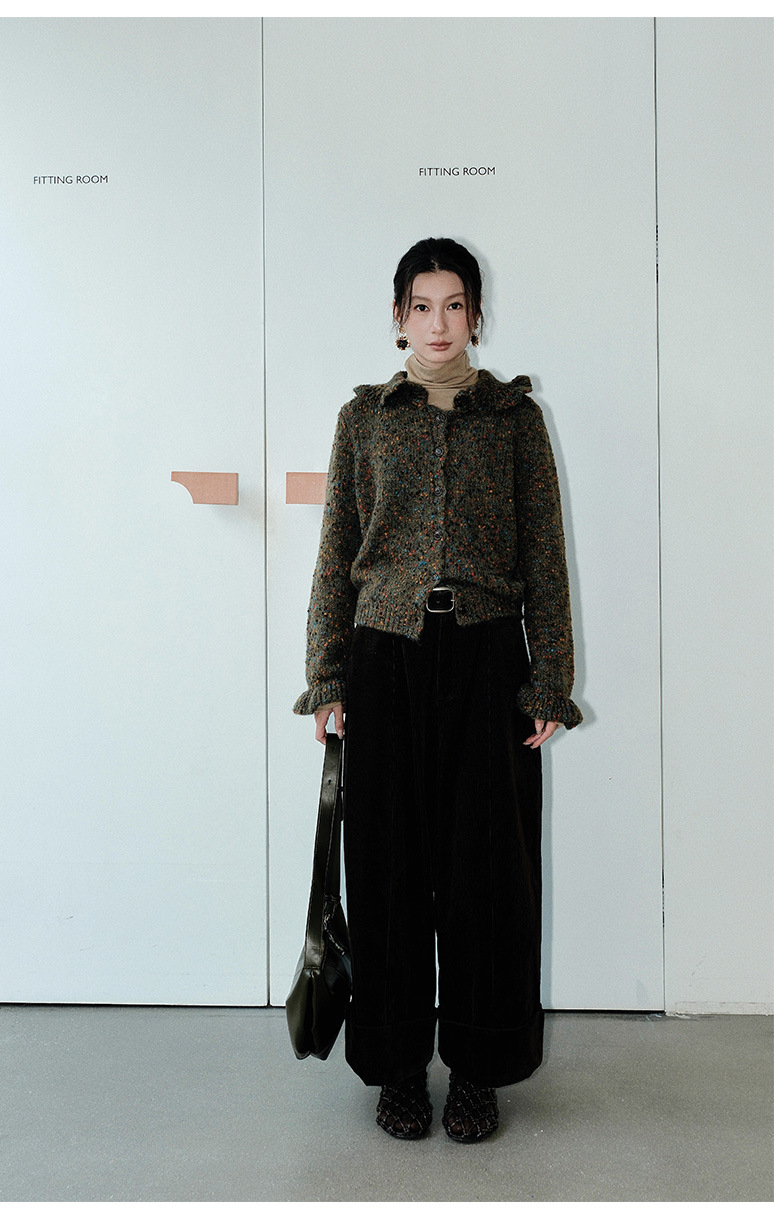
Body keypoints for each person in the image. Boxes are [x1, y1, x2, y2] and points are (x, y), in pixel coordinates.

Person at [294, 237, 581, 1143]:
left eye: (455, 305)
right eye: (422, 306)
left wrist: (550, 679)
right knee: (388, 869)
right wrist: (326, 674)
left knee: (488, 873)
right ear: (398, 318)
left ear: (477, 315)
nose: (439, 323)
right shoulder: (365, 418)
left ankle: (479, 1069)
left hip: (490, 655)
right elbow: (336, 551)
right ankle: (397, 1067)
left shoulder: (514, 419)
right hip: (385, 656)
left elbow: (545, 556)